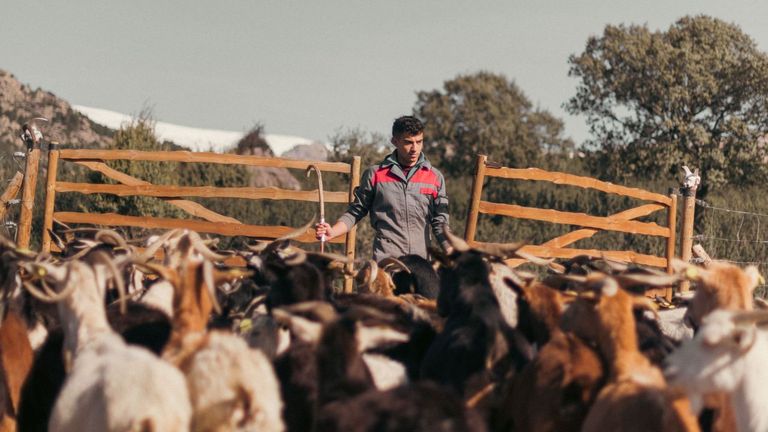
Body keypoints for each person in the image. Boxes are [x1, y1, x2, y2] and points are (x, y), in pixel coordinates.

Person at [315, 115, 451, 261]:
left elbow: (440, 222)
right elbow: (355, 212)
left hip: (421, 262)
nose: (414, 149)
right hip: (386, 260)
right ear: (394, 141)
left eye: (419, 142)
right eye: (408, 142)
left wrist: (451, 250)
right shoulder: (375, 174)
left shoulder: (435, 177)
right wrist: (332, 232)